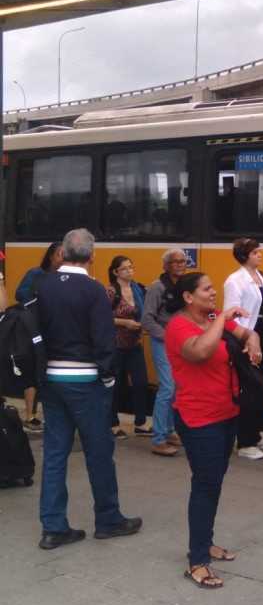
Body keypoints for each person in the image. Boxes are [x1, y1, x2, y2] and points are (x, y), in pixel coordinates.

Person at [36, 228, 141, 549]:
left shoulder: (45, 284)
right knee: (98, 452)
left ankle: (53, 527)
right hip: (86, 382)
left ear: (63, 253)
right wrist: (109, 378)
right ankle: (108, 520)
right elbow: (103, 337)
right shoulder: (93, 289)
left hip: (51, 380)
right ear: (92, 257)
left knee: (55, 453)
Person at [165, 272, 261, 587]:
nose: (213, 293)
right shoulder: (179, 326)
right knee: (205, 485)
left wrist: (254, 340)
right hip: (198, 418)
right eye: (207, 289)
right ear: (187, 297)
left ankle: (204, 542)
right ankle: (197, 561)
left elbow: (246, 334)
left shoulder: (210, 317)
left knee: (214, 482)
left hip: (226, 413)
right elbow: (200, 352)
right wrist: (221, 319)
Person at [223, 238, 263, 459]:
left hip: (261, 333)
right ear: (245, 257)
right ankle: (245, 442)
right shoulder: (235, 280)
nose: (260, 255)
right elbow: (231, 314)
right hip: (246, 335)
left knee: (260, 384)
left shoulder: (261, 277)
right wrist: (245, 339)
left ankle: (254, 434)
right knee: (250, 387)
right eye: (255, 252)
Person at [142, 248, 188, 456]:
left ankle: (169, 432)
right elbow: (147, 320)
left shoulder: (186, 286)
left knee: (177, 389)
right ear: (166, 266)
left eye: (183, 261)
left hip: (181, 344)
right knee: (167, 389)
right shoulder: (157, 287)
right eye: (175, 261)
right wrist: (169, 336)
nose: (180, 264)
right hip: (163, 344)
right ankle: (158, 438)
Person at [14, 241, 64, 432]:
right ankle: (30, 416)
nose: (62, 258)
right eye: (59, 254)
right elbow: (20, 294)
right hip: (35, 329)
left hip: (55, 330)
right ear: (50, 255)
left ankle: (53, 415)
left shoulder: (64, 277)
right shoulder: (36, 273)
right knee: (34, 371)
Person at [105, 256, 150, 438]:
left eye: (131, 267)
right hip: (115, 345)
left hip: (134, 344)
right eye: (124, 268)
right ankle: (113, 424)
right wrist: (125, 323)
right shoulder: (110, 292)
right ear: (115, 272)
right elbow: (102, 318)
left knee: (141, 382)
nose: (129, 271)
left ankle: (140, 423)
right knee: (115, 385)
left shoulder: (137, 289)